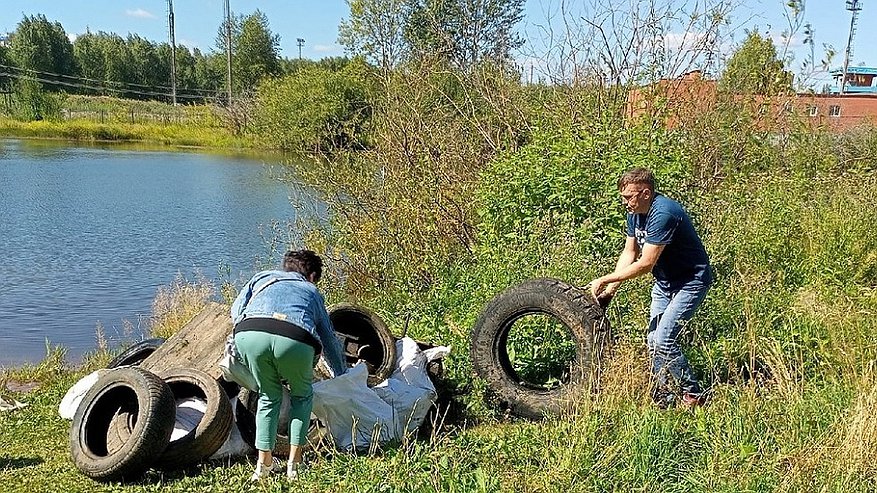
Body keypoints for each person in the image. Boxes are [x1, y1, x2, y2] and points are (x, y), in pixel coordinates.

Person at [589, 168, 712, 408]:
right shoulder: (635, 213)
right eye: (623, 197)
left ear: (645, 193)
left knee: (664, 340)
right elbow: (630, 252)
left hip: (690, 281)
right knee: (653, 339)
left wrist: (604, 279)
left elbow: (645, 263)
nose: (625, 202)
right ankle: (664, 398)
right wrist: (611, 290)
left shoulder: (664, 212)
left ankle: (693, 394)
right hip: (664, 282)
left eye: (628, 197)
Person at [230, 249, 347, 481]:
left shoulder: (262, 277)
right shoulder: (311, 290)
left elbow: (236, 311)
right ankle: (295, 463)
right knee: (301, 397)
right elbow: (328, 338)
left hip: (249, 334)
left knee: (268, 396)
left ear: (285, 267)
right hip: (295, 339)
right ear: (312, 276)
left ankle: (263, 466)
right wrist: (342, 374)